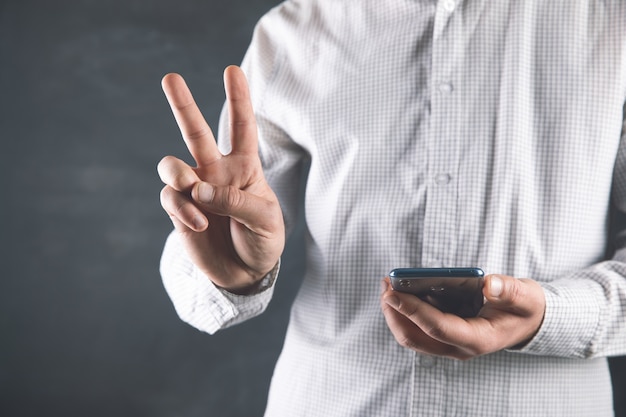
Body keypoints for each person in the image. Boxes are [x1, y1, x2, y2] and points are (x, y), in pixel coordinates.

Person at [157, 1, 626, 415]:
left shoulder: (614, 24)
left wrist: (550, 316)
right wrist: (234, 272)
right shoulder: (293, 33)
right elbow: (213, 259)